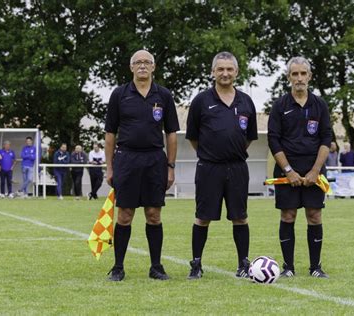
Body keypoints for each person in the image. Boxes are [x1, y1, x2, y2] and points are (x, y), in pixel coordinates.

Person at [105, 49, 179, 281]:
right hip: (126, 159)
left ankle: (156, 267)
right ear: (131, 67)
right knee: (125, 215)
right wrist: (110, 167)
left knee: (153, 214)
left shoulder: (164, 95)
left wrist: (170, 166)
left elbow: (172, 134)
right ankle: (118, 267)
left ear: (154, 67)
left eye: (147, 62)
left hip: (155, 160)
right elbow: (109, 134)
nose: (143, 66)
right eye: (138, 62)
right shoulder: (119, 94)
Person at [185, 52, 257, 280]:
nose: (225, 73)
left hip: (237, 168)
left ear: (236, 72)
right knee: (202, 217)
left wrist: (230, 151)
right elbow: (193, 137)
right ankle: (196, 264)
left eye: (229, 69)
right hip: (209, 168)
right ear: (213, 72)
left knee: (240, 216)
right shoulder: (201, 101)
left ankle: (243, 264)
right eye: (220, 69)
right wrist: (211, 155)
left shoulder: (246, 101)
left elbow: (248, 137)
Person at [267, 56, 332, 278]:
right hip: (287, 172)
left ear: (310, 77)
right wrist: (289, 171)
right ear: (288, 77)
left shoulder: (320, 105)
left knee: (314, 215)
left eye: (303, 73)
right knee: (288, 216)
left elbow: (326, 139)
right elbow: (273, 141)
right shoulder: (279, 106)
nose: (299, 78)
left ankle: (315, 267)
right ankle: (288, 267)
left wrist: (315, 171)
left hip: (314, 171)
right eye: (295, 74)